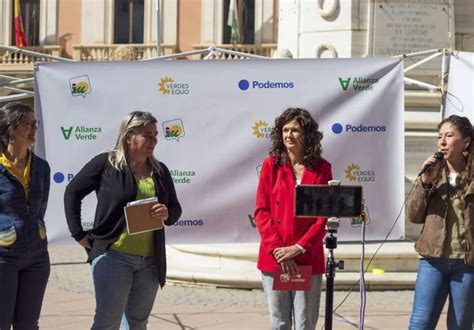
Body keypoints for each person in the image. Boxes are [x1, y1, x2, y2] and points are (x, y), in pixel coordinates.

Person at [64, 111, 182, 329]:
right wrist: (78, 234)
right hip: (113, 256)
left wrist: (166, 213)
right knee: (107, 322)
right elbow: (72, 192)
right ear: (129, 136)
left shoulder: (160, 170)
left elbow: (175, 210)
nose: (154, 141)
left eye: (156, 135)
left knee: (138, 323)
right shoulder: (106, 163)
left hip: (150, 261)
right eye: (148, 135)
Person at [254, 107, 333, 329]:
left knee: (305, 324)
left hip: (307, 257)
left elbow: (323, 216)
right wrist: (282, 252)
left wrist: (298, 247)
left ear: (306, 134)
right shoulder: (271, 165)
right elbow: (262, 211)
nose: (288, 135)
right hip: (275, 257)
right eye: (285, 130)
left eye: (295, 130)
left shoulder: (322, 168)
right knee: (279, 323)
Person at [407, 115, 474, 330]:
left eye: (449, 135)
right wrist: (425, 183)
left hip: (467, 262)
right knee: (420, 323)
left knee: (460, 325)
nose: (442, 141)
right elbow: (414, 215)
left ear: (466, 142)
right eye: (439, 136)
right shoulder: (433, 173)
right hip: (432, 260)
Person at [0, 102, 51, 329]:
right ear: (10, 129)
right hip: (3, 257)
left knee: (28, 324)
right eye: (27, 124)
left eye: (35, 123)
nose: (33, 129)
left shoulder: (41, 167)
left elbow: (41, 207)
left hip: (37, 256)